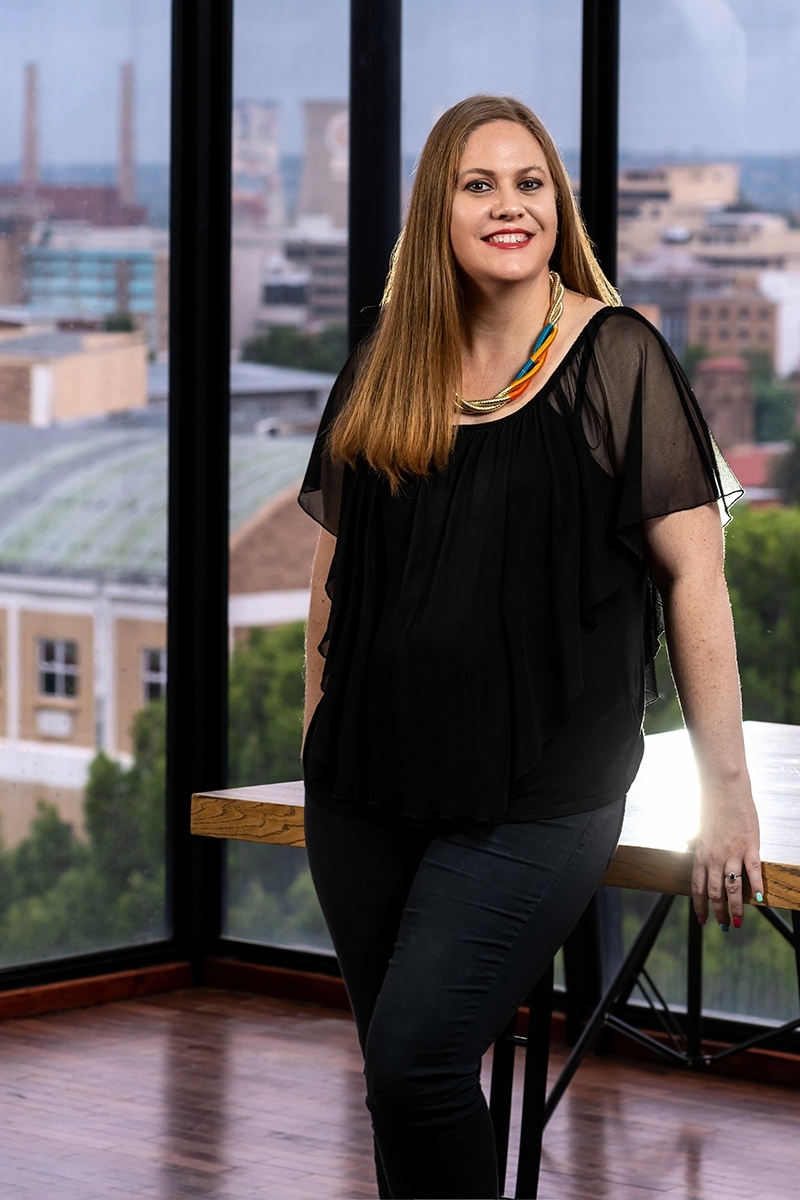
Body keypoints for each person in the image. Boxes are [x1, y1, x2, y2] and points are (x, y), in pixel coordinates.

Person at [298, 94, 764, 1200]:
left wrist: (726, 797)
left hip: (537, 793)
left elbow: (695, 582)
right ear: (438, 210)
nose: (509, 206)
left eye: (529, 183)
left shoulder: (617, 357)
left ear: (557, 205)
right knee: (396, 1082)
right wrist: (319, 725)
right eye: (479, 185)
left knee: (414, 1068)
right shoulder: (387, 360)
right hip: (364, 785)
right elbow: (333, 571)